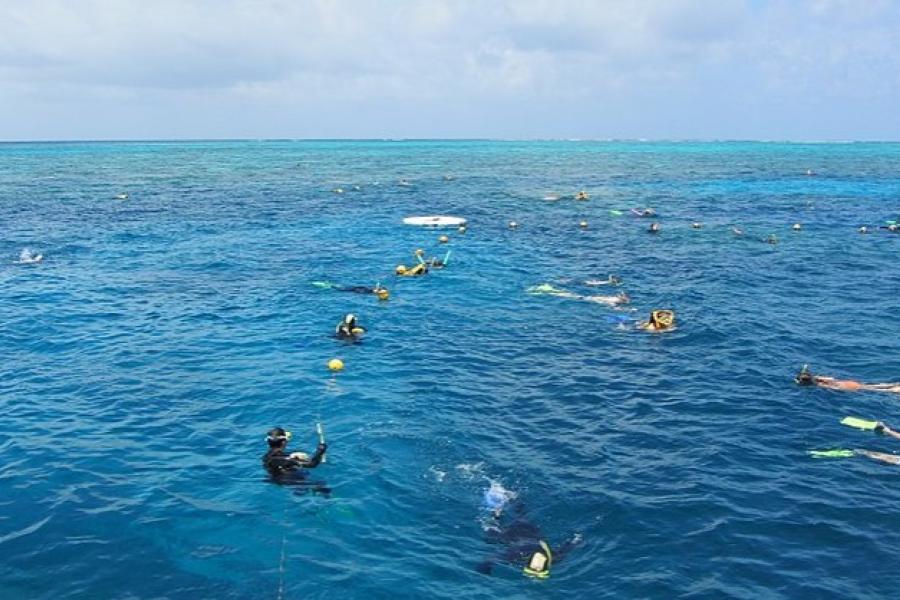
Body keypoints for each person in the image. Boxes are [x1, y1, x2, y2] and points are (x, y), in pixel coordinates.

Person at [476, 499, 581, 579]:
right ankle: (497, 515)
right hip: (513, 535)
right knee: (491, 535)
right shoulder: (516, 554)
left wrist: (576, 539)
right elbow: (490, 560)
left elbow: (568, 546)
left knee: (521, 517)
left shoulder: (554, 557)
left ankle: (511, 504)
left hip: (531, 532)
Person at [262, 427, 330, 494]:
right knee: (323, 488)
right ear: (283, 442)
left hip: (276, 480)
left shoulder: (266, 457)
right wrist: (320, 451)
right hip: (291, 481)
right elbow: (312, 464)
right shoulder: (284, 459)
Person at [795, 365, 900, 393]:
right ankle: (895, 384)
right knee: (872, 385)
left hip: (847, 387)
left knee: (874, 390)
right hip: (848, 383)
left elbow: (835, 388)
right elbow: (831, 378)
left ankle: (894, 390)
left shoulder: (819, 384)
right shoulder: (819, 379)